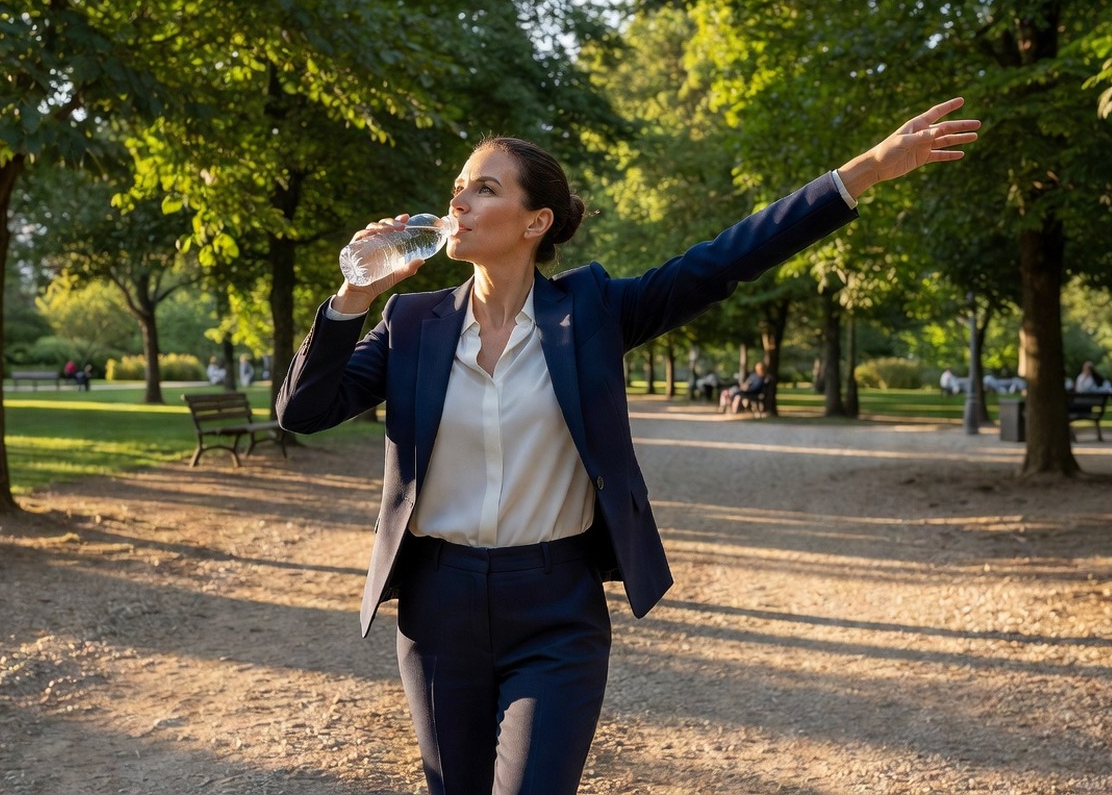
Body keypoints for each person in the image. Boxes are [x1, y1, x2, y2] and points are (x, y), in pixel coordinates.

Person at [276, 98, 979, 794]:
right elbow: (303, 411)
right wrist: (353, 296)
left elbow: (725, 259)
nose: (458, 201)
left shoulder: (592, 312)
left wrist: (864, 172)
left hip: (555, 609)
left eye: (484, 188)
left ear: (536, 221)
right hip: (439, 608)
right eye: (458, 186)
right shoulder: (412, 321)